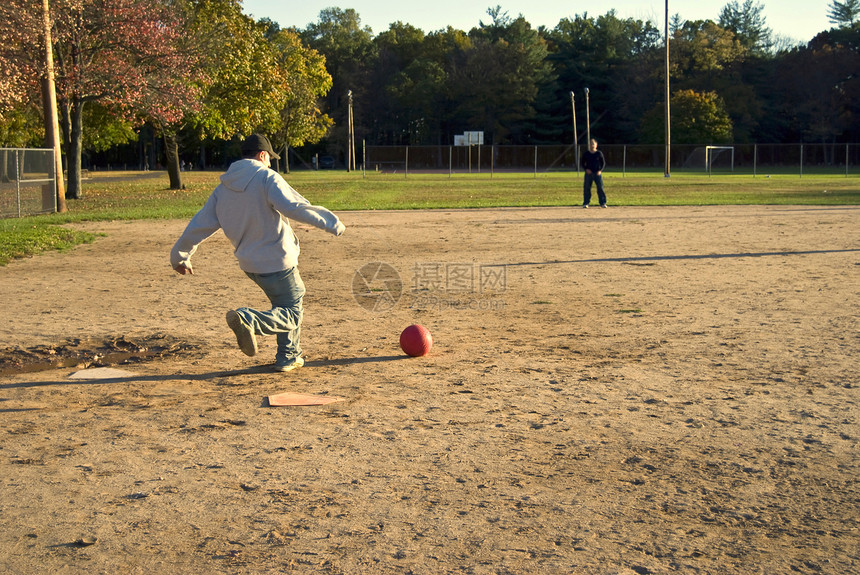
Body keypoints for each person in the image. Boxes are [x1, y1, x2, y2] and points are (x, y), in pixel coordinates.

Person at [170, 134, 345, 372]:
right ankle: (249, 320)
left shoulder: (222, 189)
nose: (271, 163)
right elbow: (293, 206)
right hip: (277, 260)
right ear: (262, 155)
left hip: (250, 265)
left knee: (284, 303)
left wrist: (180, 256)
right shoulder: (266, 177)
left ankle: (288, 356)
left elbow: (200, 224)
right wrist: (331, 222)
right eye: (269, 158)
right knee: (293, 312)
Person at [580, 139, 607, 208]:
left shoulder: (599, 153)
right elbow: (582, 163)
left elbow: (603, 163)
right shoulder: (586, 154)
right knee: (587, 188)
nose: (592, 145)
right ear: (589, 145)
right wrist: (586, 169)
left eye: (593, 144)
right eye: (591, 144)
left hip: (597, 173)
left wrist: (600, 170)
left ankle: (603, 203)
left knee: (600, 188)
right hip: (589, 174)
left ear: (596, 145)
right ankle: (586, 203)